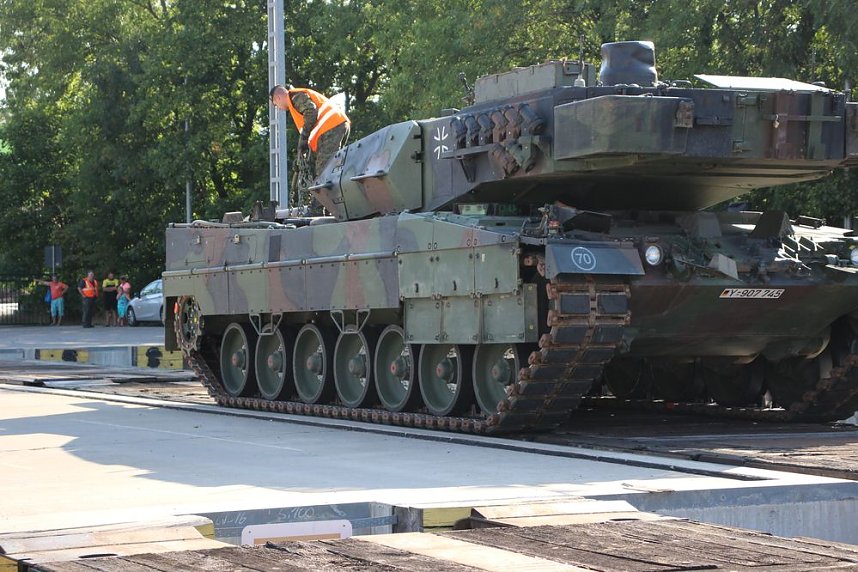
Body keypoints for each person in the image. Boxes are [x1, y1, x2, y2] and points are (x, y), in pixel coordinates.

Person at [269, 84, 350, 180]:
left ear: (278, 98)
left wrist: (303, 138)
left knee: (324, 172)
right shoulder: (295, 100)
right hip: (335, 126)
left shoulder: (294, 96)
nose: (278, 108)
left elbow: (311, 112)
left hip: (331, 127)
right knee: (333, 168)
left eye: (275, 105)